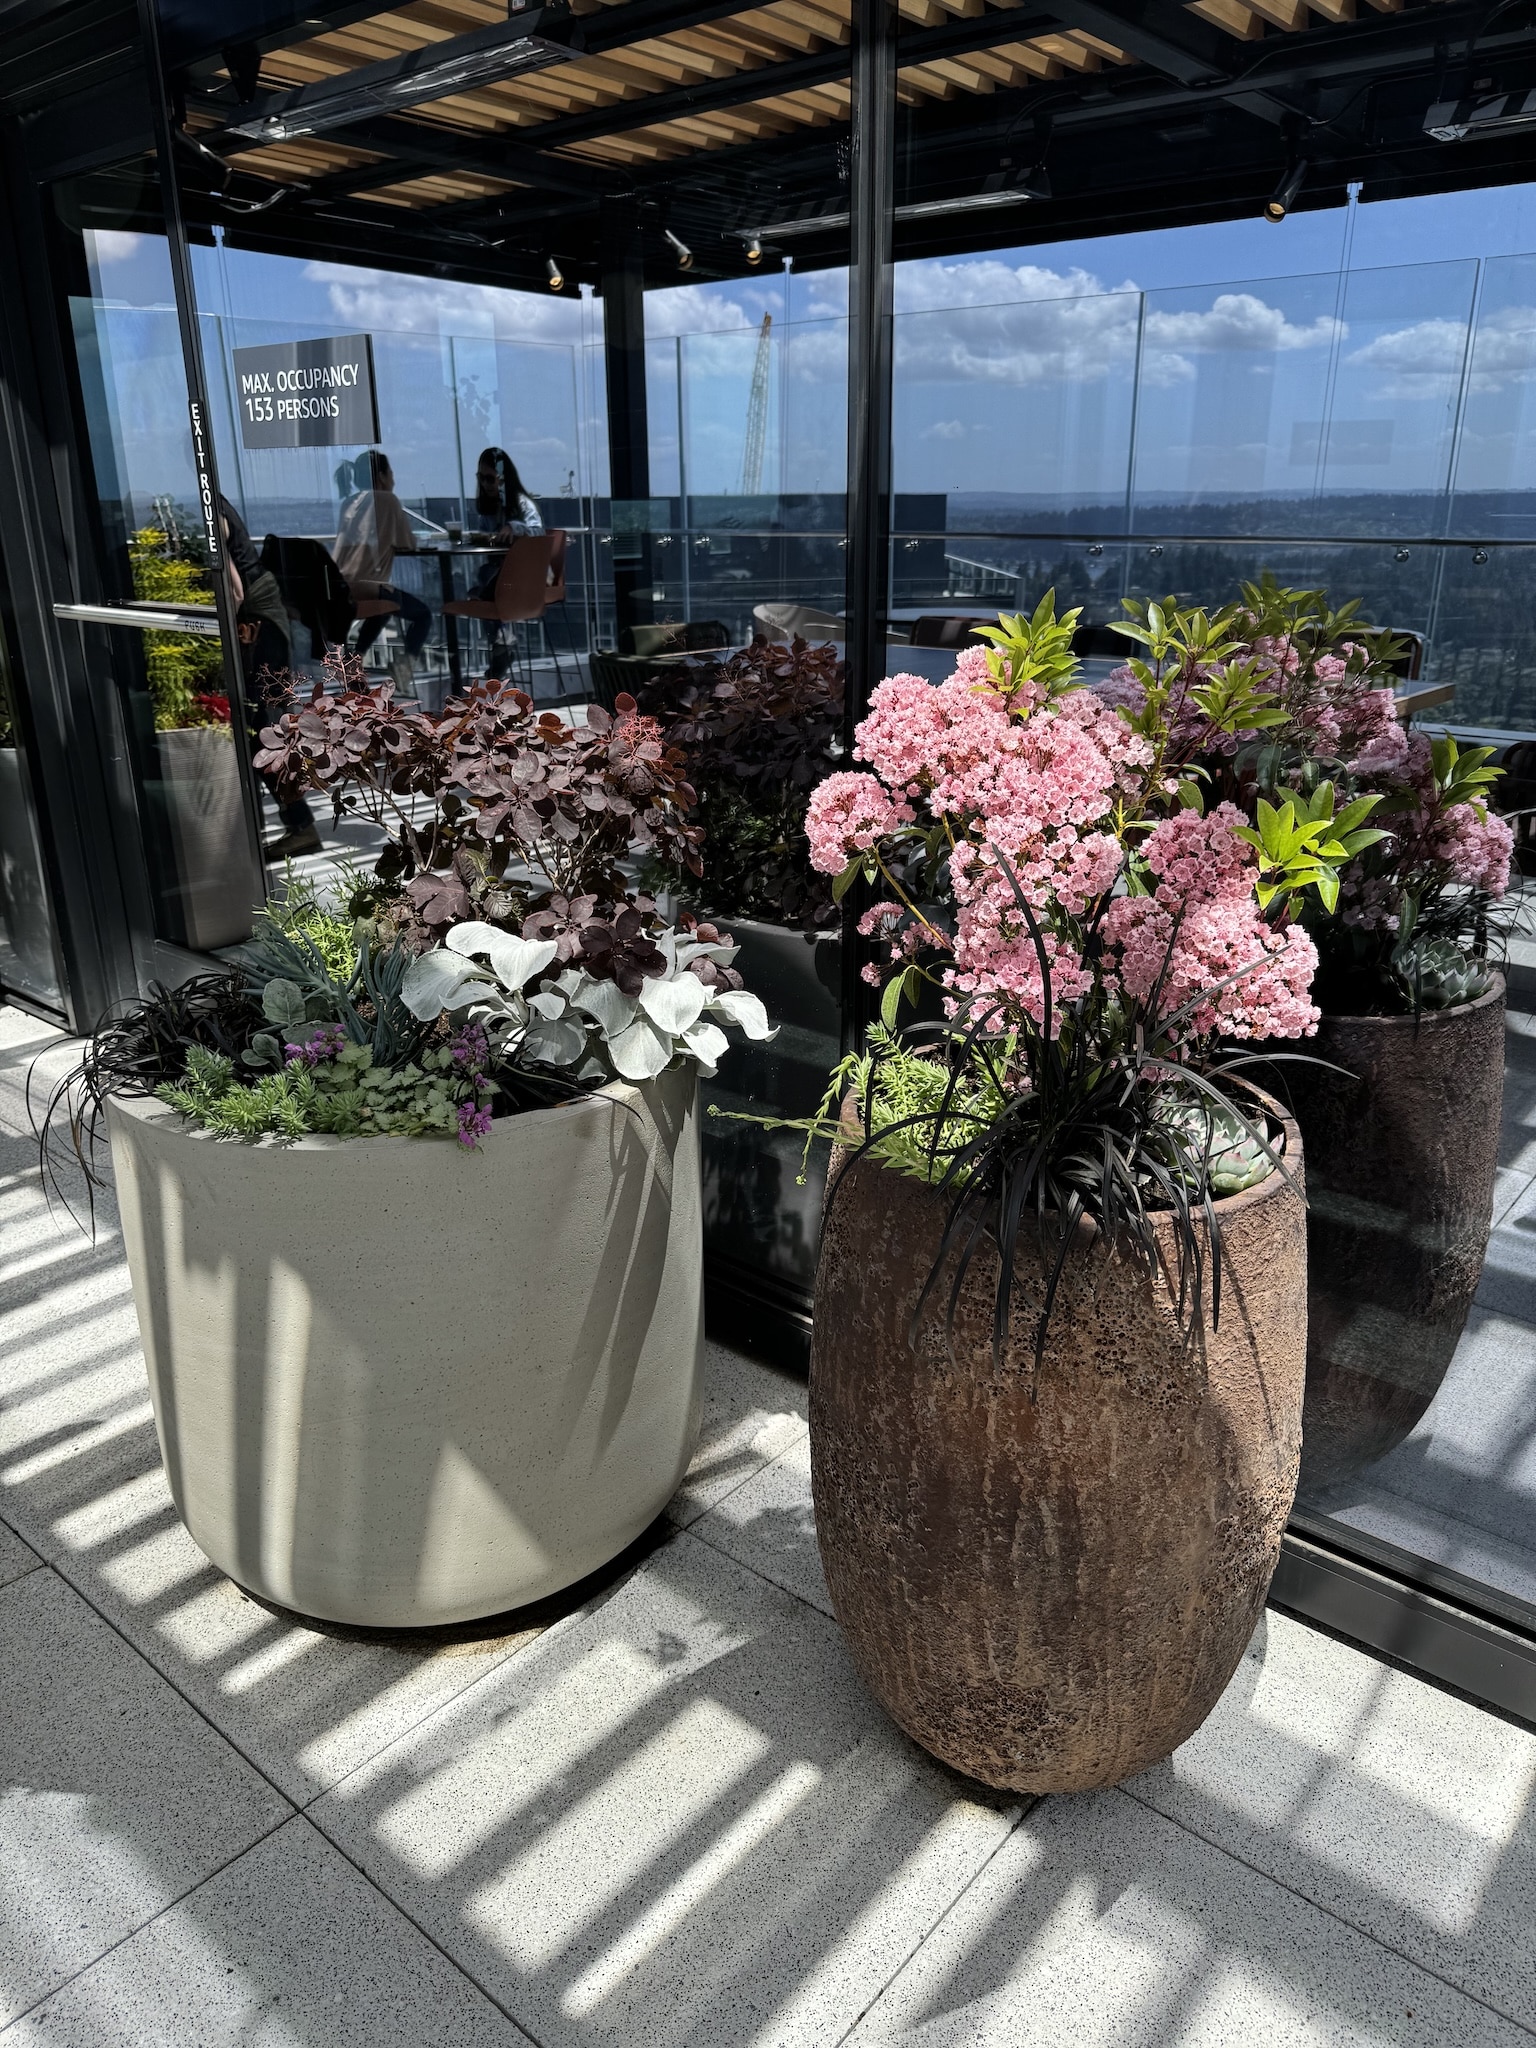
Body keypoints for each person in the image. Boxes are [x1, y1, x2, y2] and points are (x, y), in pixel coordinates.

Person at [221, 495, 320, 862]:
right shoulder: (215, 504)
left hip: (260, 624)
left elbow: (234, 591)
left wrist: (222, 641)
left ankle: (300, 825)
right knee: (264, 726)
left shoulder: (210, 508)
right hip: (264, 622)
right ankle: (298, 824)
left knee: (263, 728)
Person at [333, 450, 433, 685]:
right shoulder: (387, 500)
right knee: (423, 615)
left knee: (385, 604)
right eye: (391, 474)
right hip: (367, 586)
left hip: (341, 585)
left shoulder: (350, 502)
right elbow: (407, 543)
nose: (394, 481)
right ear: (381, 476)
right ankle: (404, 667)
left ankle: (354, 660)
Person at [469, 447, 544, 680]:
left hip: (524, 579)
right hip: (501, 578)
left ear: (503, 479)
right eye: (481, 478)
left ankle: (502, 643)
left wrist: (515, 527)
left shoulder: (522, 503)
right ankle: (502, 644)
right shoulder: (488, 511)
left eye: (490, 478)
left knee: (481, 587)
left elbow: (539, 532)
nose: (485, 484)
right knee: (484, 582)